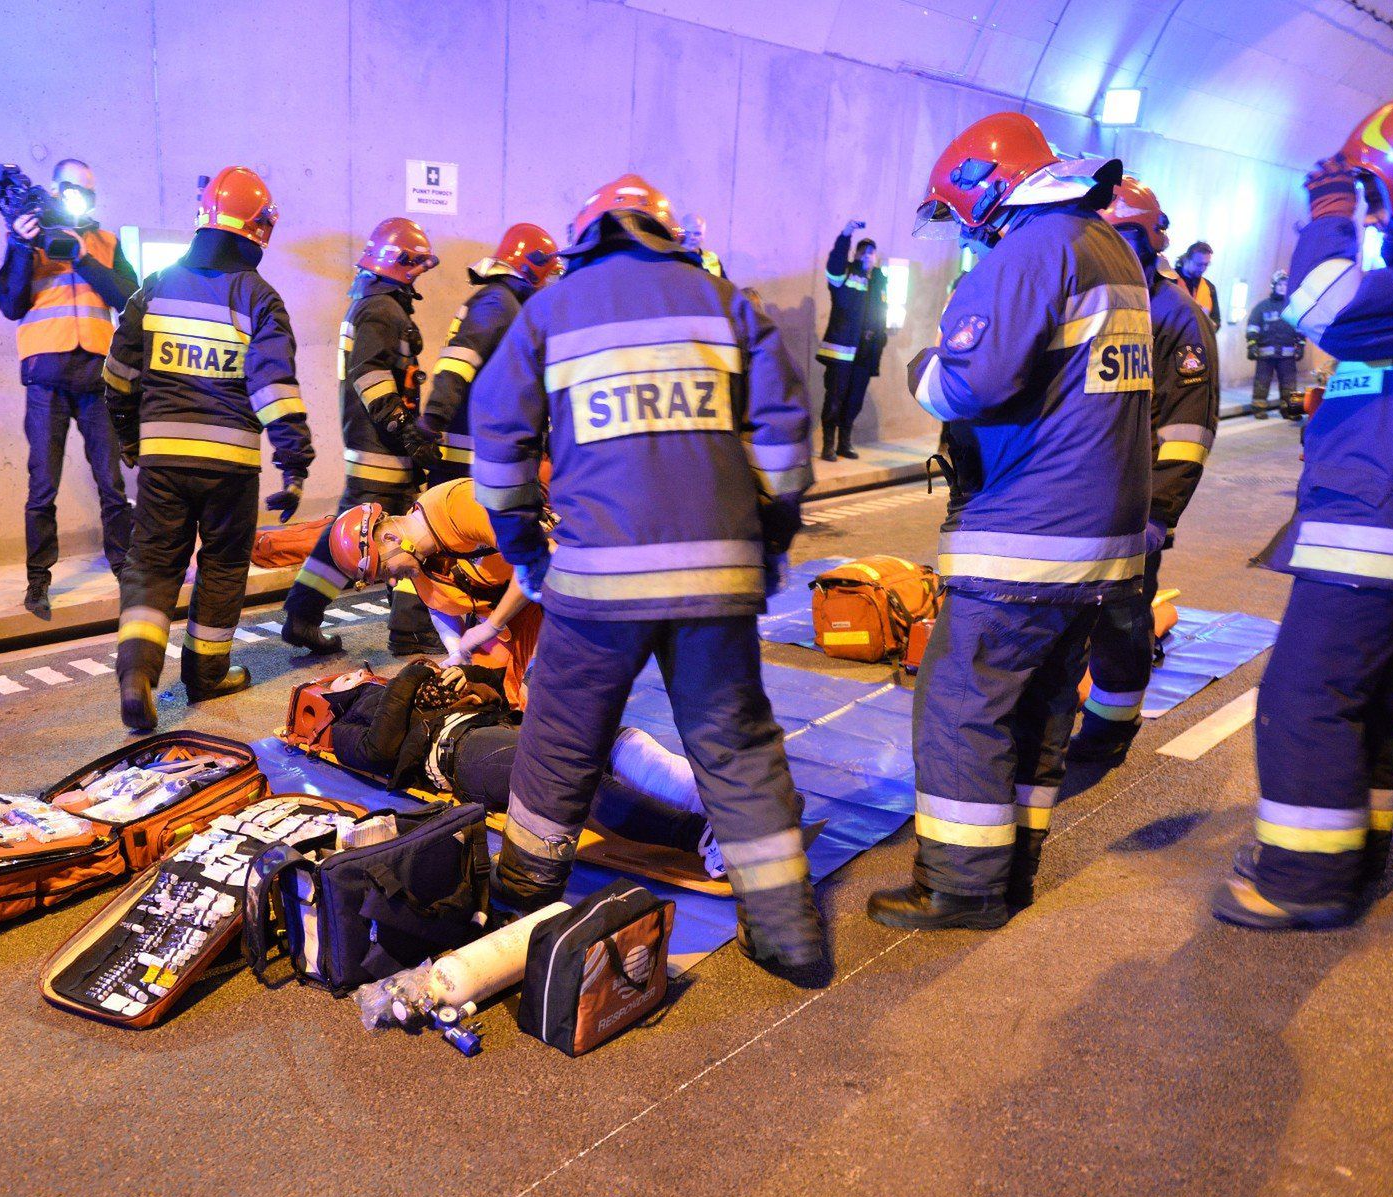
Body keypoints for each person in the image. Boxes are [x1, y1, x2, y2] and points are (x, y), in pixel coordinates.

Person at [470, 173, 824, 979]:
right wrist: (767, 541)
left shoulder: (550, 311)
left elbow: (499, 443)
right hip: (715, 581)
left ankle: (521, 911)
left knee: (560, 741)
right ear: (666, 236)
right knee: (735, 744)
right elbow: (785, 437)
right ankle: (788, 934)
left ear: (584, 241)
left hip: (596, 583)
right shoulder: (726, 304)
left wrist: (526, 552)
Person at [868, 112, 1151, 930]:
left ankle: (959, 887)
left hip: (1028, 532)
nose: (963, 229)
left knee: (962, 706)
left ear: (982, 190)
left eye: (959, 212)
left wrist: (924, 364)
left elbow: (966, 385)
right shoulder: (1109, 248)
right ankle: (1012, 867)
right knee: (1041, 708)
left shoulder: (1032, 250)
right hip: (1096, 541)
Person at [1213, 90, 1393, 930]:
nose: (1369, 207)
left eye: (1374, 189)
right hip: (1385, 506)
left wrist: (1328, 213)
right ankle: (1355, 847)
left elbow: (1326, 307)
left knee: (1308, 695)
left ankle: (1301, 880)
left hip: (1381, 514)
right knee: (1362, 694)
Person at [105, 166, 315, 731]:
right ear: (259, 229)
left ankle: (136, 675)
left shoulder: (156, 287)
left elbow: (118, 375)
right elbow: (274, 387)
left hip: (163, 461)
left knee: (152, 565)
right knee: (221, 568)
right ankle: (205, 674)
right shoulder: (257, 297)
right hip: (230, 466)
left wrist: (131, 437)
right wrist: (294, 463)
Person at [1068, 178, 1220, 766]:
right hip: (1069, 499)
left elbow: (1188, 430)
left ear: (1145, 240)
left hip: (1132, 507)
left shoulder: (1177, 317)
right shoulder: (1084, 299)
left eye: (1115, 237)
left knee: (1121, 620)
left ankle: (1110, 729)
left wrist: (1157, 513)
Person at [323, 659, 724, 873]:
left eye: (357, 670)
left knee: (610, 741)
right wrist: (410, 675)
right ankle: (702, 836)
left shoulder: (406, 687)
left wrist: (465, 674)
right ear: (335, 698)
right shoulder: (346, 726)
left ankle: (710, 799)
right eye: (343, 679)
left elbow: (497, 685)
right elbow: (378, 751)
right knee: (568, 776)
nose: (357, 671)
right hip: (460, 749)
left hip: (496, 725)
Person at [280, 217, 443, 656]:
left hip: (374, 450)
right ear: (400, 262)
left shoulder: (373, 304)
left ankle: (303, 617)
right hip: (382, 453)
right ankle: (407, 629)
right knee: (402, 536)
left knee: (351, 537)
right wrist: (403, 427)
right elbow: (369, 373)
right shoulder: (381, 310)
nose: (418, 274)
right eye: (415, 265)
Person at [0, 159, 138, 619]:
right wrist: (21, 246)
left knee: (112, 484)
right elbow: (10, 303)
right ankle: (38, 582)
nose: (81, 197)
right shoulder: (28, 237)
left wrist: (82, 256)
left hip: (97, 377)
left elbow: (127, 296)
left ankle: (125, 571)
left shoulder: (106, 241)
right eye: (73, 188)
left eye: (88, 190)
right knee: (42, 487)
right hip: (46, 378)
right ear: (54, 190)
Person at [322, 476, 542, 707]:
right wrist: (457, 652)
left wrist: (492, 626)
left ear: (391, 538)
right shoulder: (419, 558)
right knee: (484, 692)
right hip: (513, 605)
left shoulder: (459, 504)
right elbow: (438, 605)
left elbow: (535, 561)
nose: (393, 582)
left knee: (546, 689)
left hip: (553, 585)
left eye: (386, 571)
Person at [413, 223, 560, 483]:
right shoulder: (498, 303)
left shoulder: (507, 305)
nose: (550, 285)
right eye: (549, 275)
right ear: (531, 268)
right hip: (469, 462)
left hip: (481, 457)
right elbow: (459, 361)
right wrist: (435, 417)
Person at [816, 219, 890, 461]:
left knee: (854, 400)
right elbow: (834, 264)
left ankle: (844, 443)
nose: (868, 256)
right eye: (864, 252)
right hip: (842, 353)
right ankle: (828, 444)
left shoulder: (879, 281)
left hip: (865, 354)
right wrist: (846, 234)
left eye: (872, 252)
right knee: (835, 398)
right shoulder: (846, 273)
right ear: (856, 254)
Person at [1246, 271, 1306, 419]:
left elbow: (1301, 328)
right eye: (1280, 284)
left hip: (1287, 355)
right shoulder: (1262, 307)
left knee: (1290, 384)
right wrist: (1252, 345)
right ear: (1273, 286)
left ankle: (1291, 411)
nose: (1282, 287)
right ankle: (1258, 409)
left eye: (1285, 285)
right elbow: (1253, 327)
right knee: (1262, 382)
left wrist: (1301, 345)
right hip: (1265, 355)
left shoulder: (1293, 307)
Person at [1176, 240, 1220, 325]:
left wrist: (1206, 320)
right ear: (1186, 259)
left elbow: (1216, 321)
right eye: (1199, 264)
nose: (1203, 269)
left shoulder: (1210, 287)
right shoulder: (1169, 279)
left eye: (1206, 265)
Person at [679, 213, 725, 278]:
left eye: (697, 234)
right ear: (680, 233)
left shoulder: (713, 258)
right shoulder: (672, 257)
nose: (692, 237)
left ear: (703, 236)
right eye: (687, 233)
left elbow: (724, 283)